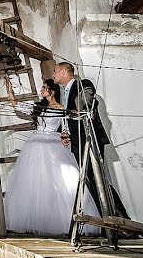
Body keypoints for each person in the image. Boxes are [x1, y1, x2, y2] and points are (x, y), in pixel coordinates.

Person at [2, 76, 100, 235]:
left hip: (53, 144)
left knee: (61, 181)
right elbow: (17, 106)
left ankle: (68, 220)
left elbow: (66, 127)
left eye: (43, 88)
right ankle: (39, 221)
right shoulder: (39, 107)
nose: (41, 90)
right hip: (35, 145)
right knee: (35, 184)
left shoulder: (62, 108)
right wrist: (10, 91)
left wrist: (66, 136)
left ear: (51, 91)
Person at [52, 62, 130, 218]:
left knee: (97, 180)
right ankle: (107, 218)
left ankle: (120, 219)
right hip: (76, 142)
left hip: (89, 139)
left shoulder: (83, 84)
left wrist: (68, 110)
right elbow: (70, 118)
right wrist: (65, 132)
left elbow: (87, 106)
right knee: (90, 182)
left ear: (63, 72)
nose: (52, 75)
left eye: (55, 71)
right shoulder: (64, 93)